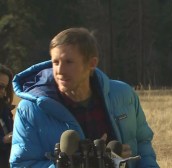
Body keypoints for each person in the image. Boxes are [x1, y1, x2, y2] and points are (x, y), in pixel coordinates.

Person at [10, 28, 159, 168]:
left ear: (91, 64)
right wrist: (65, 164)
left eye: (68, 62)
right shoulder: (30, 110)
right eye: (55, 62)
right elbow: (21, 164)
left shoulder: (123, 95)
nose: (59, 71)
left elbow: (143, 144)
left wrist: (121, 158)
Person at [0, 64, 14, 168]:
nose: (4, 93)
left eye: (5, 87)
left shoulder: (5, 110)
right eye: (1, 86)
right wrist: (4, 140)